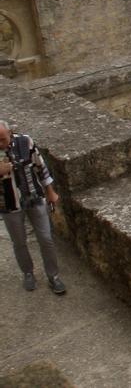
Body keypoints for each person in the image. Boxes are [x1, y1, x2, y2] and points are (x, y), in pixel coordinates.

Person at [1, 121, 66, 295]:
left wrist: (50, 192)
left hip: (35, 198)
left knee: (46, 239)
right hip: (9, 205)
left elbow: (41, 167)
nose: (0, 144)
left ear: (10, 132)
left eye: (2, 139)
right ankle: (28, 273)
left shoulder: (25, 142)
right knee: (19, 242)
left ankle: (53, 276)